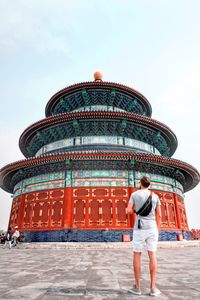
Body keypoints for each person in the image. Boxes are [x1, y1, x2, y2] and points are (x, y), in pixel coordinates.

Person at [127, 176, 161, 297]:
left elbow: (128, 210)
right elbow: (159, 215)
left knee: (137, 254)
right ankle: (153, 287)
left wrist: (136, 211)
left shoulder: (135, 195)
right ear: (149, 184)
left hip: (139, 228)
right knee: (152, 255)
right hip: (152, 228)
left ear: (140, 183)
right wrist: (158, 229)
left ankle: (137, 287)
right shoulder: (155, 196)